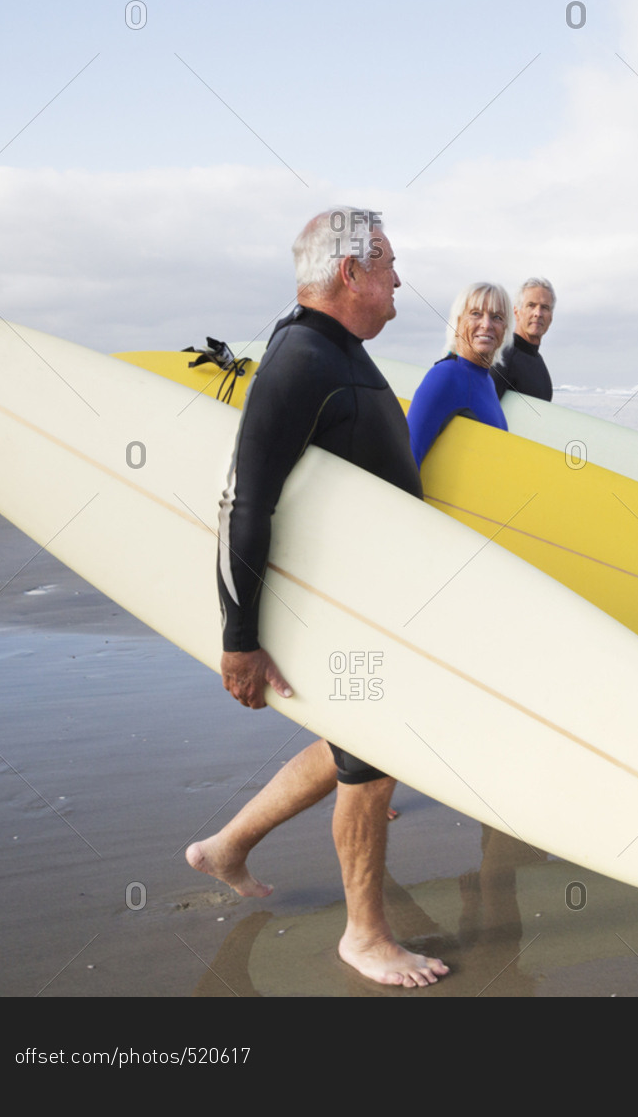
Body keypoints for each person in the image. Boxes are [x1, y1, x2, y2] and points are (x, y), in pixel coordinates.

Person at [185, 206, 448, 988]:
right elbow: (244, 501)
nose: (399, 279)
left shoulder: (336, 352)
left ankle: (227, 847)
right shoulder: (302, 357)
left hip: (369, 602)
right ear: (351, 272)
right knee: (370, 759)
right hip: (344, 611)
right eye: (388, 263)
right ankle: (365, 936)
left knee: (346, 746)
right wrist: (239, 638)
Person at [407, 282, 512, 466]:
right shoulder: (445, 375)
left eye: (497, 317)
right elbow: (407, 457)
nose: (486, 324)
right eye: (476, 314)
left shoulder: (487, 381)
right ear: (457, 322)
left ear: (505, 329)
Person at [492, 277, 555, 401]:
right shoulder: (503, 357)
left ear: (551, 317)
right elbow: (478, 408)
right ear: (517, 312)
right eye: (531, 305)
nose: (538, 313)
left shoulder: (537, 360)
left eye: (544, 307)